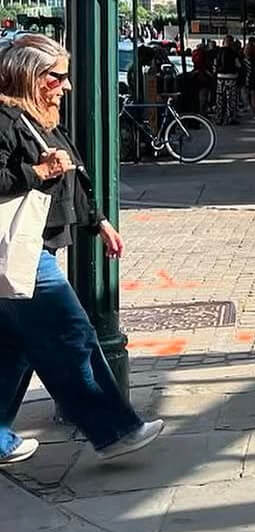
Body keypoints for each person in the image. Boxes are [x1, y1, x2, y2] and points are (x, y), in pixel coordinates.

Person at [0, 35, 164, 466]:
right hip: (20, 251)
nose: (67, 86)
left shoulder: (40, 117)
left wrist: (98, 221)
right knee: (72, 335)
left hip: (29, 246)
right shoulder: (5, 119)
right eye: (58, 77)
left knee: (13, 346)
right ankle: (115, 431)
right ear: (31, 76)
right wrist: (37, 171)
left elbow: (73, 176)